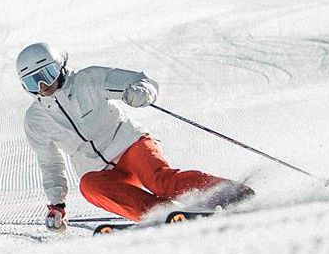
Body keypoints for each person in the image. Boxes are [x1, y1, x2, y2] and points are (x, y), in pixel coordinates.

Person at [16, 42, 251, 231]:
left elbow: (141, 81)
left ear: (60, 67)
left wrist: (141, 92)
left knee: (160, 181)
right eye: (32, 81)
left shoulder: (89, 80)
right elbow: (50, 163)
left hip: (129, 144)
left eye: (47, 74)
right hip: (100, 170)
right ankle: (162, 214)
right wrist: (56, 204)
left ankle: (227, 192)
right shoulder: (36, 120)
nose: (43, 85)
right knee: (89, 186)